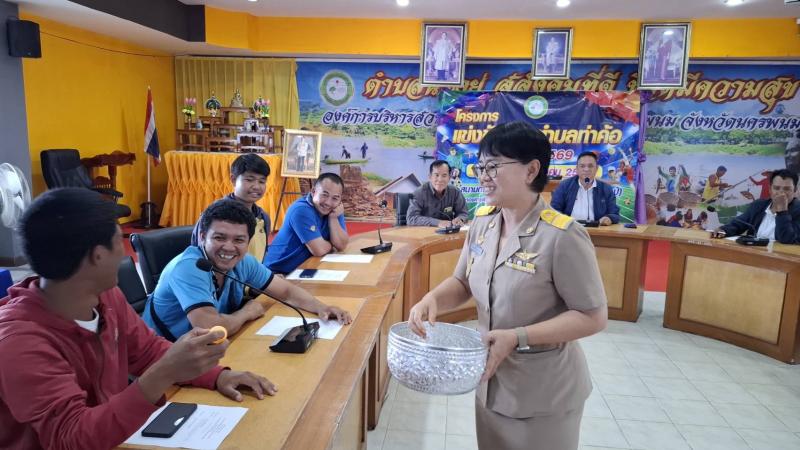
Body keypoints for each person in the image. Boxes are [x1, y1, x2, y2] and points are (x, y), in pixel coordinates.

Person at [0, 188, 277, 450]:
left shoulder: (105, 296)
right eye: (117, 241)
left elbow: (147, 351)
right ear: (98, 256)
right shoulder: (19, 342)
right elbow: (71, 438)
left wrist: (219, 376)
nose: (124, 252)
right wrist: (165, 372)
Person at [408, 121, 606, 450]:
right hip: (490, 383)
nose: (483, 176)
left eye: (493, 166)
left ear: (531, 170)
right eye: (480, 167)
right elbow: (462, 281)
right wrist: (433, 299)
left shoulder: (562, 236)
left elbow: (592, 316)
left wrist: (518, 337)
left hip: (543, 392)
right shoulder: (483, 222)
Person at [144, 199, 351, 341]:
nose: (229, 247)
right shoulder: (189, 268)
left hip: (209, 347)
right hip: (163, 355)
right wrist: (246, 313)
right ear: (202, 237)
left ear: (248, 241)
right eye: (219, 237)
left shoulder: (243, 261)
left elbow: (286, 291)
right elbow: (211, 329)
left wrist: (321, 307)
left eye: (239, 240)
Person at [191, 153, 271, 263]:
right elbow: (200, 256)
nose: (256, 187)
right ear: (233, 179)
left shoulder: (262, 217)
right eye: (249, 180)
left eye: (262, 181)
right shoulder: (215, 214)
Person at [264, 173, 349, 274]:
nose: (328, 203)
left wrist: (333, 219)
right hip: (276, 272)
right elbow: (319, 250)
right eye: (324, 195)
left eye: (335, 198)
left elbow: (341, 245)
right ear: (313, 192)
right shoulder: (301, 210)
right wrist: (332, 244)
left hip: (304, 267)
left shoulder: (335, 209)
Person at [711, 169, 800, 244]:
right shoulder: (759, 205)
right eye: (776, 188)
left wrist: (782, 212)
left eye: (787, 189)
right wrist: (723, 230)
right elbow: (738, 224)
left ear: (795, 190)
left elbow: (787, 239)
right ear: (770, 189)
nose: (781, 193)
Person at [550, 151, 620, 225]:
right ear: (577, 169)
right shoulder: (564, 186)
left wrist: (609, 218)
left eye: (590, 166)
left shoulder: (606, 189)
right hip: (569, 229)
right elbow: (554, 210)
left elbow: (615, 214)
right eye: (582, 166)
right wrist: (564, 221)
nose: (586, 169)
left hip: (597, 229)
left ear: (596, 168)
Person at [406, 160, 469, 227]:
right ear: (430, 177)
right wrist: (438, 222)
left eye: (444, 175)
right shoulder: (419, 192)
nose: (440, 179)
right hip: (425, 232)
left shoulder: (455, 192)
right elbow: (411, 218)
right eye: (436, 175)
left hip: (449, 231)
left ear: (449, 178)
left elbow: (463, 213)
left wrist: (460, 219)